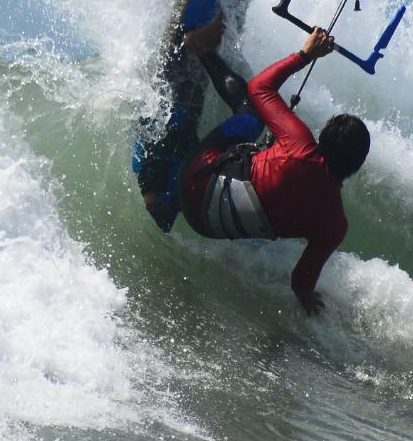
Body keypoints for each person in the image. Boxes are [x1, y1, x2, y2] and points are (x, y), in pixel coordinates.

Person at [134, 18, 370, 316]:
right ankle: (166, 204)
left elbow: (261, 88)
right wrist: (308, 298)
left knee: (249, 114)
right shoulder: (335, 225)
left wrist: (306, 55)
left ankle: (200, 47)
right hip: (204, 225)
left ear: (323, 139)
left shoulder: (301, 145)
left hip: (195, 178)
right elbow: (301, 282)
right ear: (354, 166)